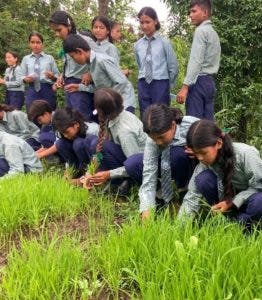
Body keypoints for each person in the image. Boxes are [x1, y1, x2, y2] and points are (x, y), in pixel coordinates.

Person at [178, 120, 262, 227]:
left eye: (203, 153)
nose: (200, 158)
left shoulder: (246, 154)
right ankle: (227, 220)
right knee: (203, 179)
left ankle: (241, 224)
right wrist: (178, 227)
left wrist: (232, 202)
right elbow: (191, 198)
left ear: (218, 143)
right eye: (196, 153)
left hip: (249, 200)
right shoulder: (203, 164)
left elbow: (259, 185)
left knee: (259, 202)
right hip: (227, 203)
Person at [138, 104, 199, 220]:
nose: (158, 142)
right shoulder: (153, 138)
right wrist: (146, 208)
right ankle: (160, 196)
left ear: (173, 125)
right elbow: (149, 173)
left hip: (192, 166)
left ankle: (183, 192)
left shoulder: (193, 126)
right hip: (165, 164)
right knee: (134, 164)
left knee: (177, 155)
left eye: (161, 137)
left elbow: (216, 147)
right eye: (154, 139)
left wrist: (198, 152)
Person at [82, 88, 147, 194]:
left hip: (138, 165)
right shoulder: (113, 116)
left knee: (100, 145)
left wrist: (108, 174)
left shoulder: (125, 132)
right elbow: (100, 149)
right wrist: (91, 169)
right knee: (91, 140)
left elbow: (135, 164)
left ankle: (123, 181)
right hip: (124, 155)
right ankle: (99, 177)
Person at [63, 34, 136, 113]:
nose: (73, 60)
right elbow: (99, 88)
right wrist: (79, 87)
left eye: (73, 56)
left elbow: (121, 82)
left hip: (124, 102)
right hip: (113, 103)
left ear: (79, 51)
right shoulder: (90, 65)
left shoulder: (102, 60)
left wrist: (108, 99)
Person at [49, 10, 98, 121]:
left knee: (83, 120)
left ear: (69, 26)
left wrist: (90, 72)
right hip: (69, 85)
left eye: (59, 30)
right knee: (72, 120)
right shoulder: (66, 42)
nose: (57, 34)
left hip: (82, 86)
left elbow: (101, 58)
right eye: (54, 31)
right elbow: (69, 64)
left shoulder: (84, 40)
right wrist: (62, 75)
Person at [176, 0, 221, 120]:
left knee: (194, 125)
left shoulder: (200, 31)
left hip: (198, 82)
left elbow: (196, 61)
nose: (190, 15)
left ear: (205, 12)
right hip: (209, 83)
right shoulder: (213, 33)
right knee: (207, 126)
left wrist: (185, 87)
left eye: (194, 11)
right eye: (190, 12)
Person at [134, 7, 179, 117]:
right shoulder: (137, 45)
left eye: (148, 22)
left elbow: (173, 67)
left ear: (155, 21)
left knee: (161, 116)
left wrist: (168, 85)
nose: (144, 26)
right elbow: (140, 65)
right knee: (145, 115)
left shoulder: (164, 43)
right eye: (142, 22)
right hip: (143, 84)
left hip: (160, 84)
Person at [36, 108, 99, 177]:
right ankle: (76, 171)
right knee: (60, 143)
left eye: (67, 132)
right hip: (79, 160)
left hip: (94, 160)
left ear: (76, 124)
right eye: (63, 133)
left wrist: (93, 169)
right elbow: (66, 155)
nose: (65, 135)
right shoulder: (63, 133)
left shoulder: (93, 130)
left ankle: (86, 172)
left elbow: (101, 153)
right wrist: (69, 169)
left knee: (78, 143)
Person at [20, 32, 59, 111]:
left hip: (47, 89)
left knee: (49, 113)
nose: (35, 45)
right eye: (32, 42)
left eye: (38, 42)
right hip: (32, 89)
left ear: (42, 44)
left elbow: (57, 76)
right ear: (29, 44)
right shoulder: (26, 59)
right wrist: (25, 79)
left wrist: (52, 77)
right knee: (32, 114)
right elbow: (20, 76)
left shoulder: (49, 58)